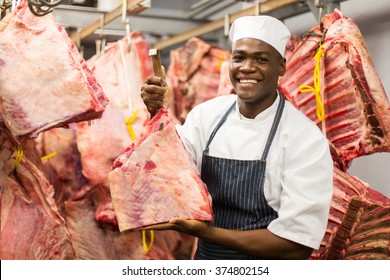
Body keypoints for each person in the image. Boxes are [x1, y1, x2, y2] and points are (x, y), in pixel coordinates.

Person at [140, 15, 333, 260]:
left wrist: (208, 233)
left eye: (261, 59)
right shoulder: (206, 115)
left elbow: (296, 245)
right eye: (239, 57)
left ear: (281, 67)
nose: (247, 67)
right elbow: (169, 167)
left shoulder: (304, 139)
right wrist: (156, 112)